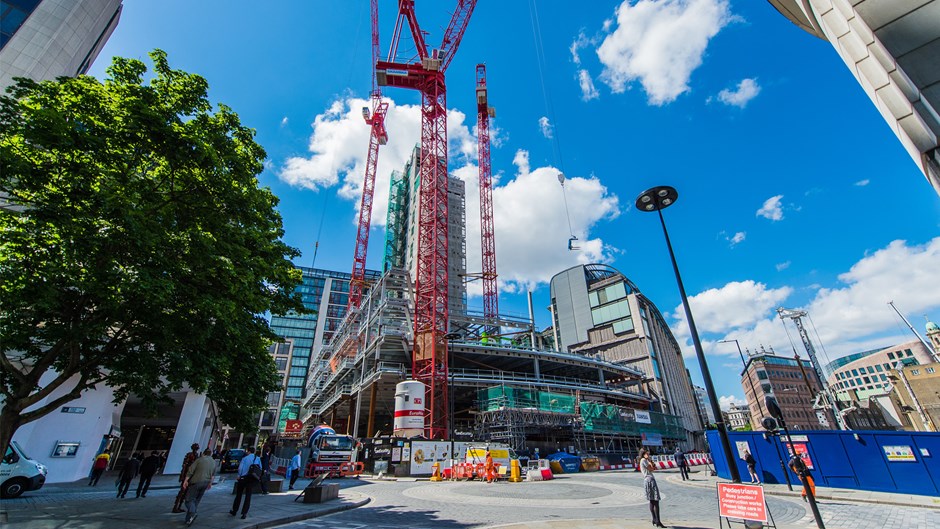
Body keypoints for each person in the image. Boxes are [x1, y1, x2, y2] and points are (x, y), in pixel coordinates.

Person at [183, 448, 215, 526]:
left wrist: (186, 480)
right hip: (206, 482)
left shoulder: (199, 460)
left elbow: (191, 470)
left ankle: (193, 513)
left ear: (203, 453)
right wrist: (210, 483)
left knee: (188, 500)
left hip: (196, 481)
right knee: (196, 501)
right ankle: (188, 519)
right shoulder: (213, 462)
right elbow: (213, 475)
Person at [231, 446, 261, 519]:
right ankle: (244, 513)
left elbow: (240, 468)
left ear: (249, 451)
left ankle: (235, 510)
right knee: (248, 496)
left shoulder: (245, 458)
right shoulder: (257, 459)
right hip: (251, 479)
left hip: (243, 478)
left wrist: (239, 475)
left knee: (239, 494)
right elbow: (260, 468)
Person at [639, 448, 666, 528]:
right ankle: (658, 521)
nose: (649, 454)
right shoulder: (643, 460)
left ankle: (654, 519)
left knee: (652, 500)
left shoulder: (643, 460)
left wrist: (650, 462)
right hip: (650, 480)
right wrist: (650, 461)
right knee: (656, 501)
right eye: (647, 453)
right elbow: (651, 468)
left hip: (647, 480)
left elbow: (653, 468)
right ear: (644, 454)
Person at [173, 443, 200, 513]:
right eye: (195, 448)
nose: (196, 449)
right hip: (187, 474)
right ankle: (176, 506)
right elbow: (184, 465)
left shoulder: (196, 455)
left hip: (191, 475)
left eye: (197, 448)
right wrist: (182, 475)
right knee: (182, 491)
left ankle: (179, 506)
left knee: (185, 493)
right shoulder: (189, 455)